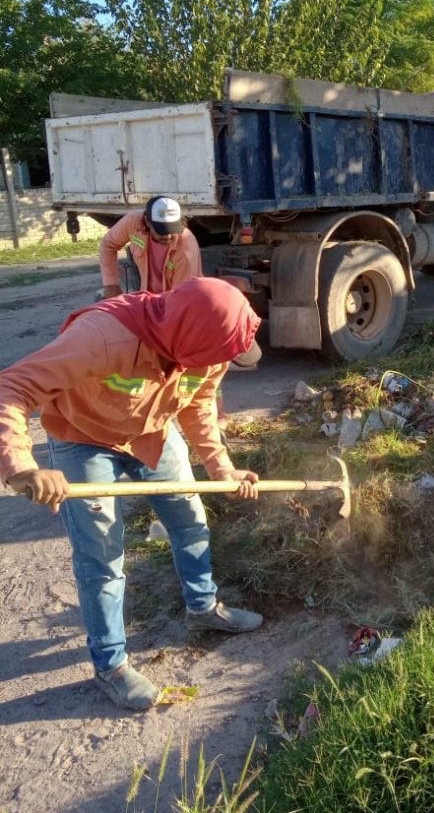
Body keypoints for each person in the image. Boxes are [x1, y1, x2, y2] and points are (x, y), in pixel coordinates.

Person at [0, 277, 264, 712]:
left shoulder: (207, 347)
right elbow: (12, 388)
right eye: (221, 356)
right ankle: (112, 666)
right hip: (82, 438)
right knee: (101, 555)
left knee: (190, 520)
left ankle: (202, 609)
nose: (224, 363)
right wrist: (23, 468)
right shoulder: (101, 337)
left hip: (152, 433)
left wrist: (223, 469)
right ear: (191, 338)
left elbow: (197, 404)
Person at [99, 196, 202, 298]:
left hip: (176, 301)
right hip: (149, 298)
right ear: (147, 222)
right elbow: (108, 245)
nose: (168, 236)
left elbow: (180, 300)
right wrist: (111, 286)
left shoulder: (186, 249)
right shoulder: (133, 223)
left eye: (172, 230)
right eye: (162, 230)